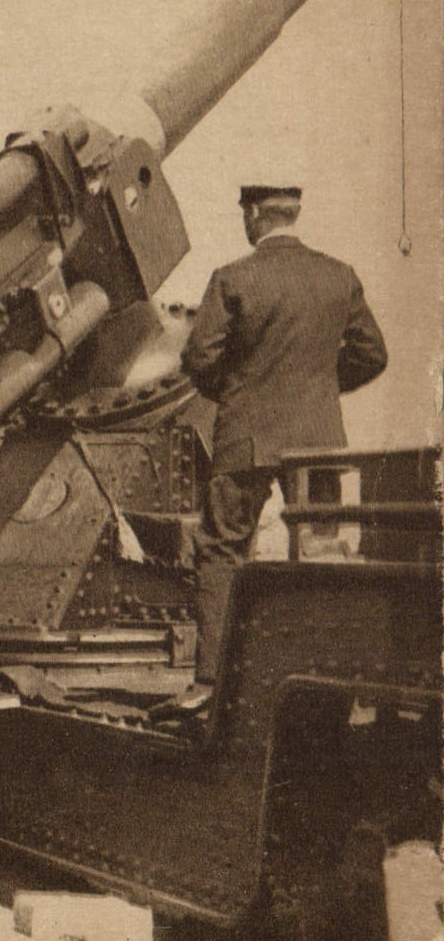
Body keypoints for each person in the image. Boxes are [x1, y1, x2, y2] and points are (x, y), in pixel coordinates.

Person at [171, 184, 388, 714]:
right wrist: (321, 388)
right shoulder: (339, 276)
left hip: (246, 437)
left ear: (253, 214)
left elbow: (197, 359)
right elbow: (373, 353)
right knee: (321, 551)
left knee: (222, 550)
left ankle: (211, 684)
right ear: (293, 214)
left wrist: (239, 391)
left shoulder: (232, 278)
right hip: (319, 442)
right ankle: (324, 682)